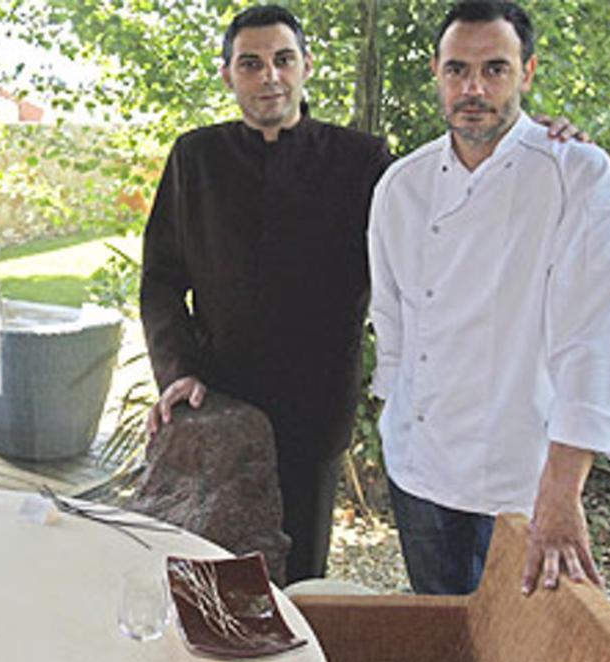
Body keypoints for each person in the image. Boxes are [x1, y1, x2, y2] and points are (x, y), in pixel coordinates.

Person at [141, 3, 585, 585]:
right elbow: (161, 279)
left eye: (283, 59)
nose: (269, 76)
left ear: (306, 66)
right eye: (250, 64)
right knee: (210, 561)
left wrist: (537, 141)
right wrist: (178, 369)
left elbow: (448, 210)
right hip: (218, 399)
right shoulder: (193, 158)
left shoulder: (363, 161)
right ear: (228, 74)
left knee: (300, 574)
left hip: (315, 401)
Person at [368, 0, 610, 595]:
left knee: (517, 648)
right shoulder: (401, 186)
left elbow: (593, 340)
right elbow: (393, 318)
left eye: (495, 69)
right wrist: (394, 409)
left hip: (520, 476)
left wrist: (562, 493)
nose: (474, 88)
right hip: (420, 464)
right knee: (442, 635)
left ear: (528, 73)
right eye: (458, 69)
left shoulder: (577, 174)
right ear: (436, 72)